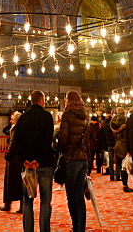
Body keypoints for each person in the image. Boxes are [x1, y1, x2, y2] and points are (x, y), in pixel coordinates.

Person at [10, 91, 55, 232]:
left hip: (28, 166)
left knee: (27, 202)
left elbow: (17, 141)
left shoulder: (23, 118)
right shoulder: (47, 117)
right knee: (45, 202)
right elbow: (47, 141)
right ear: (42, 101)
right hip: (45, 164)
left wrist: (25, 160)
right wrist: (39, 160)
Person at [56, 90, 90, 232]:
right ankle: (80, 228)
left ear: (68, 100)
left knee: (71, 197)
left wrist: (60, 150)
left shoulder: (67, 115)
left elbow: (63, 139)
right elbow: (87, 142)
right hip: (83, 159)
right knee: (79, 197)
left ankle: (76, 226)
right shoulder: (85, 116)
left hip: (71, 159)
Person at [0, 110, 23, 213]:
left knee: (10, 182)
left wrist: (7, 155)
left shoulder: (15, 129)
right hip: (21, 157)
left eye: (12, 117)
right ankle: (22, 206)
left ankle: (7, 205)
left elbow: (12, 143)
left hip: (14, 158)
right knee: (21, 182)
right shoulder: (23, 128)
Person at [110, 107, 130, 190]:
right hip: (124, 145)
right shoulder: (124, 122)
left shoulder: (113, 123)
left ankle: (123, 184)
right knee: (124, 166)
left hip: (117, 144)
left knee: (120, 164)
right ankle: (125, 185)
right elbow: (126, 136)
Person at [103, 112, 116, 180]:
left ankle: (111, 176)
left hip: (109, 144)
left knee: (110, 160)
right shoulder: (113, 124)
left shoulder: (105, 124)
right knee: (117, 160)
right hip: (115, 144)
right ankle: (117, 175)